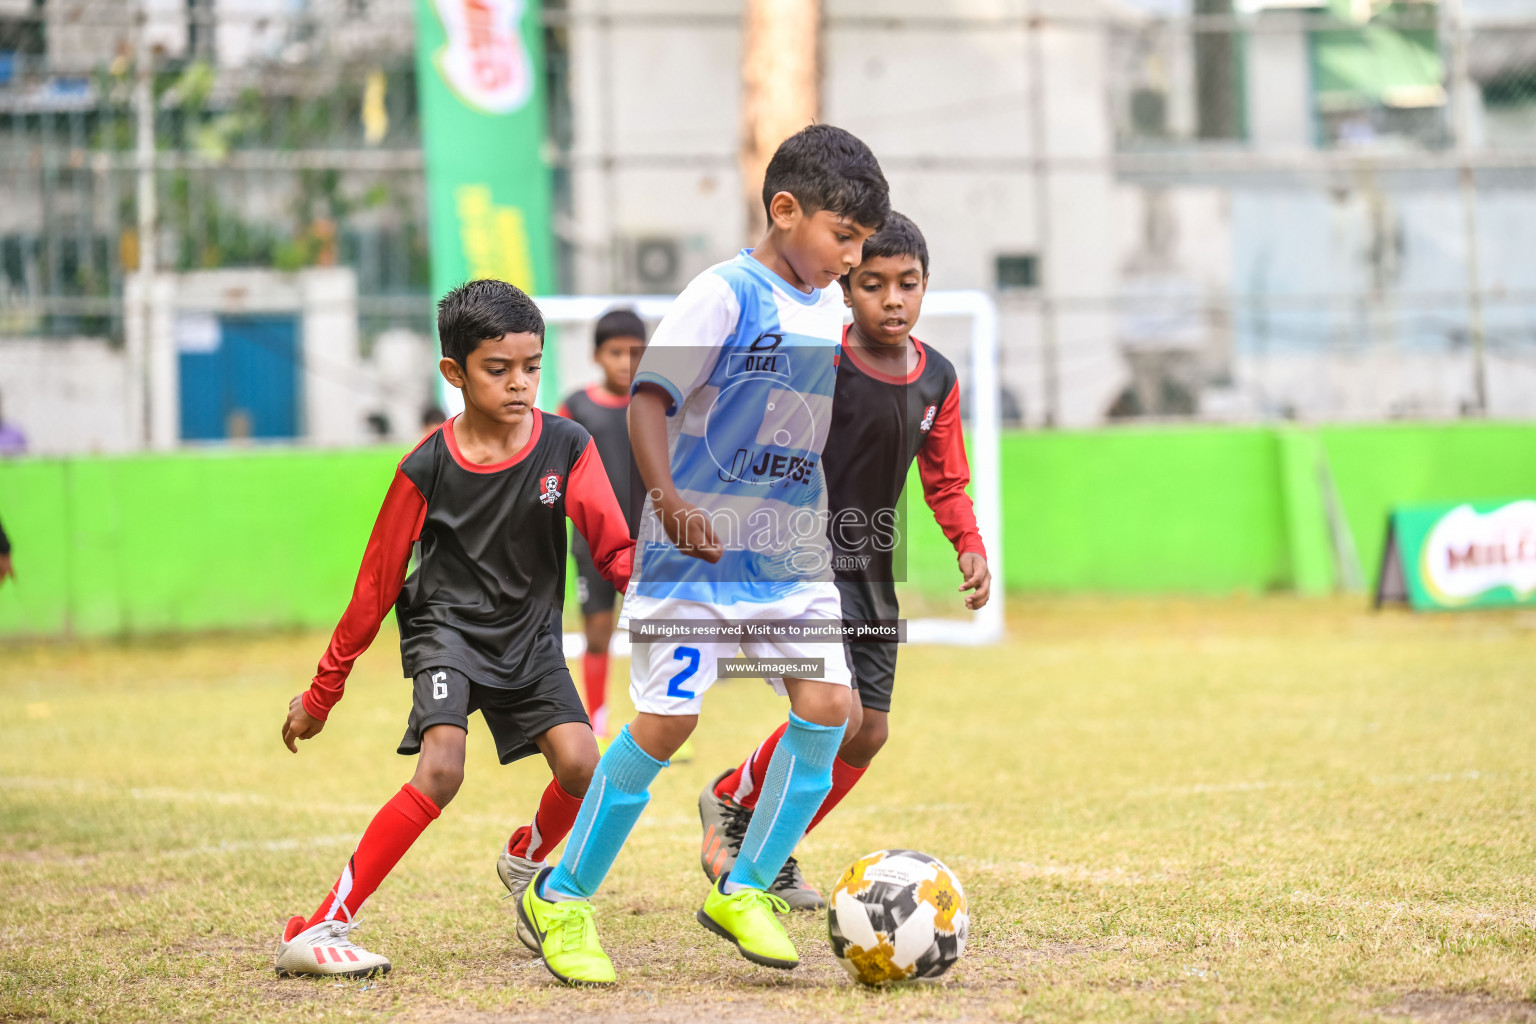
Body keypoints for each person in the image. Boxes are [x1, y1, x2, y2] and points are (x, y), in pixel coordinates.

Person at [518, 124, 890, 987]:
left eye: (862, 243)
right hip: (696, 560)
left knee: (830, 707)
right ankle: (562, 895)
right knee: (667, 724)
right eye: (843, 237)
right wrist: (671, 502)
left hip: (786, 555)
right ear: (785, 210)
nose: (851, 258)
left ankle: (747, 883)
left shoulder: (829, 307)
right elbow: (651, 399)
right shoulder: (722, 294)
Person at [273, 280, 634, 978]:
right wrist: (321, 696)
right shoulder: (427, 465)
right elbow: (376, 587)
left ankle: (527, 857)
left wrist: (659, 580)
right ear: (455, 373)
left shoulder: (567, 445)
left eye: (531, 366)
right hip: (447, 634)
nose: (520, 382)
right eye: (498, 369)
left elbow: (614, 548)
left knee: (583, 765)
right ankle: (320, 926)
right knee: (441, 769)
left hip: (529, 640)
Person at [699, 212, 992, 910]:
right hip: (801, 560)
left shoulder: (938, 379)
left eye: (908, 284)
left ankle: (766, 847)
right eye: (873, 284)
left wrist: (970, 544)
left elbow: (945, 480)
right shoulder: (820, 359)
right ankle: (734, 805)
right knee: (839, 711)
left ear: (925, 287)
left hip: (871, 567)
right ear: (847, 290)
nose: (892, 299)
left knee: (870, 733)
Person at [554, 309, 690, 757]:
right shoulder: (576, 408)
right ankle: (597, 720)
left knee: (658, 630)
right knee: (598, 632)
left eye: (634, 353)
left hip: (652, 541)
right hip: (592, 543)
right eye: (615, 352)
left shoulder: (656, 405)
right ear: (596, 355)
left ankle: (657, 725)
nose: (624, 362)